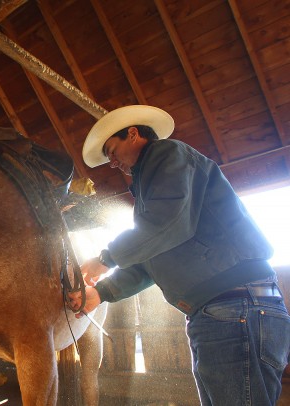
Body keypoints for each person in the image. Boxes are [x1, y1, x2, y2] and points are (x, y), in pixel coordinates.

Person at [69, 105, 290, 405]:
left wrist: (105, 259)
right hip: (221, 311)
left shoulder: (167, 155)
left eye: (112, 149)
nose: (112, 162)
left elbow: (167, 223)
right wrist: (102, 293)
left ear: (133, 134)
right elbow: (151, 259)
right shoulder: (150, 191)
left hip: (234, 307)